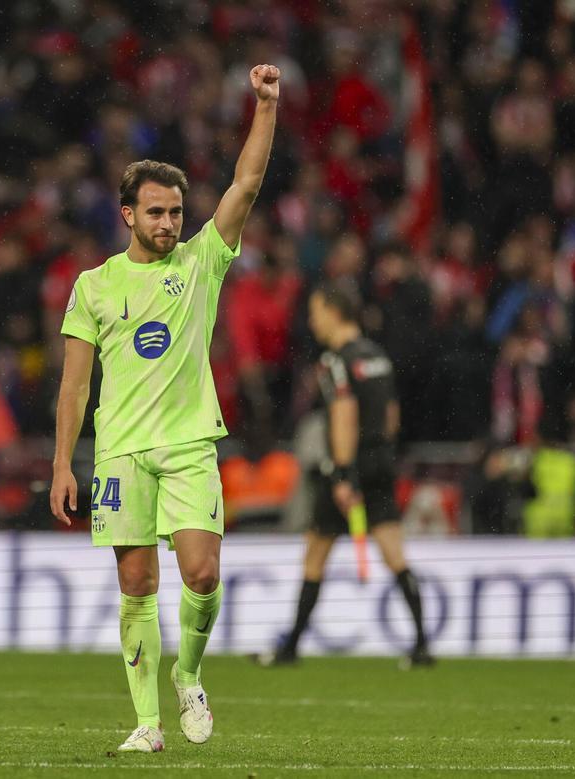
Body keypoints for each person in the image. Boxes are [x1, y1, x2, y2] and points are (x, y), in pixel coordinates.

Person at [50, 65, 281, 754]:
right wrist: (64, 462)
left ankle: (190, 671)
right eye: (155, 211)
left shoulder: (201, 262)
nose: (169, 223)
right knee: (136, 581)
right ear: (128, 214)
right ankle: (147, 723)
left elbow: (247, 184)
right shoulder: (94, 287)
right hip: (120, 451)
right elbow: (73, 387)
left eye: (176, 211)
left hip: (187, 445)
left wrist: (265, 107)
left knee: (203, 573)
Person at [255, 281, 433, 667]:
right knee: (394, 554)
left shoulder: (335, 362)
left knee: (315, 555)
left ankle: (290, 649)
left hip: (349, 466)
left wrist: (343, 475)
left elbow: (343, 417)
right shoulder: (378, 357)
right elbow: (390, 417)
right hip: (381, 464)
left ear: (334, 312)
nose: (312, 321)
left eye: (316, 312)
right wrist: (380, 458)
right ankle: (421, 645)